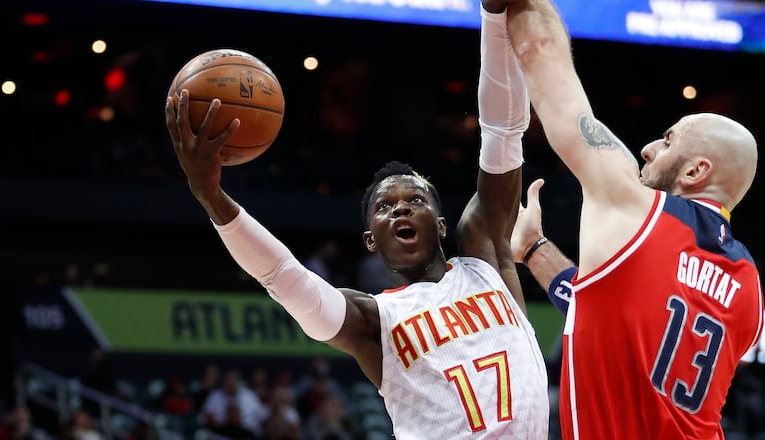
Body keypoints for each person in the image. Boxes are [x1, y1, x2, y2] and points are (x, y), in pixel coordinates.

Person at [163, 3, 549, 437]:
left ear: (441, 224)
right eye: (385, 207)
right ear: (371, 240)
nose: (401, 207)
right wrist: (212, 197)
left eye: (415, 199)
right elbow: (281, 274)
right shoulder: (373, 320)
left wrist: (494, 17)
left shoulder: (486, 261)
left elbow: (502, 131)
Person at [502, 0, 765, 437]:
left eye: (668, 140)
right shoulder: (749, 288)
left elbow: (542, 52)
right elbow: (623, 322)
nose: (648, 149)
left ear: (696, 171)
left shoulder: (635, 205)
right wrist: (534, 250)